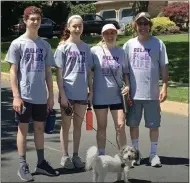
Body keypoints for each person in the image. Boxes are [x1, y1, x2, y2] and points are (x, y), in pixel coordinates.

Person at [5, 6, 58, 182]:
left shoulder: (44, 45)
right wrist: (16, 96)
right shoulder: (17, 43)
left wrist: (51, 96)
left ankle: (41, 163)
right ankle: (23, 165)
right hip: (24, 96)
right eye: (32, 19)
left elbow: (49, 72)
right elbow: (13, 71)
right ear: (25, 20)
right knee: (23, 129)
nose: (35, 22)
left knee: (40, 129)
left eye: (38, 19)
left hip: (41, 96)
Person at [123, 12, 168, 167]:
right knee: (133, 124)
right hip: (134, 94)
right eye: (139, 23)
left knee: (153, 125)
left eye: (145, 24)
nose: (142, 27)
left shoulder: (158, 44)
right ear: (135, 25)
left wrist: (165, 86)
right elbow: (125, 69)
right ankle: (136, 154)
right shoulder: (128, 44)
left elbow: (164, 67)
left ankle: (153, 155)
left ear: (150, 26)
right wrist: (127, 84)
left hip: (152, 93)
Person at [54, 15, 93, 169]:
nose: (77, 29)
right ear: (69, 27)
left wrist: (91, 91)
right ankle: (65, 156)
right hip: (68, 94)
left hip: (82, 94)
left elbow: (89, 72)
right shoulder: (62, 47)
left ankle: (76, 155)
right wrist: (62, 94)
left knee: (78, 126)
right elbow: (59, 73)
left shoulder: (86, 48)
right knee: (66, 126)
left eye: (80, 26)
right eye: (74, 26)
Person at [91, 24, 130, 155]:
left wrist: (128, 85)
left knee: (120, 126)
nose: (109, 35)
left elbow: (125, 72)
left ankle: (124, 155)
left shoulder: (121, 52)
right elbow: (88, 72)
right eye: (106, 33)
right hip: (100, 95)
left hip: (117, 96)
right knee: (102, 126)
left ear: (116, 34)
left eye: (112, 33)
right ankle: (101, 155)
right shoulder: (94, 51)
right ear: (102, 35)